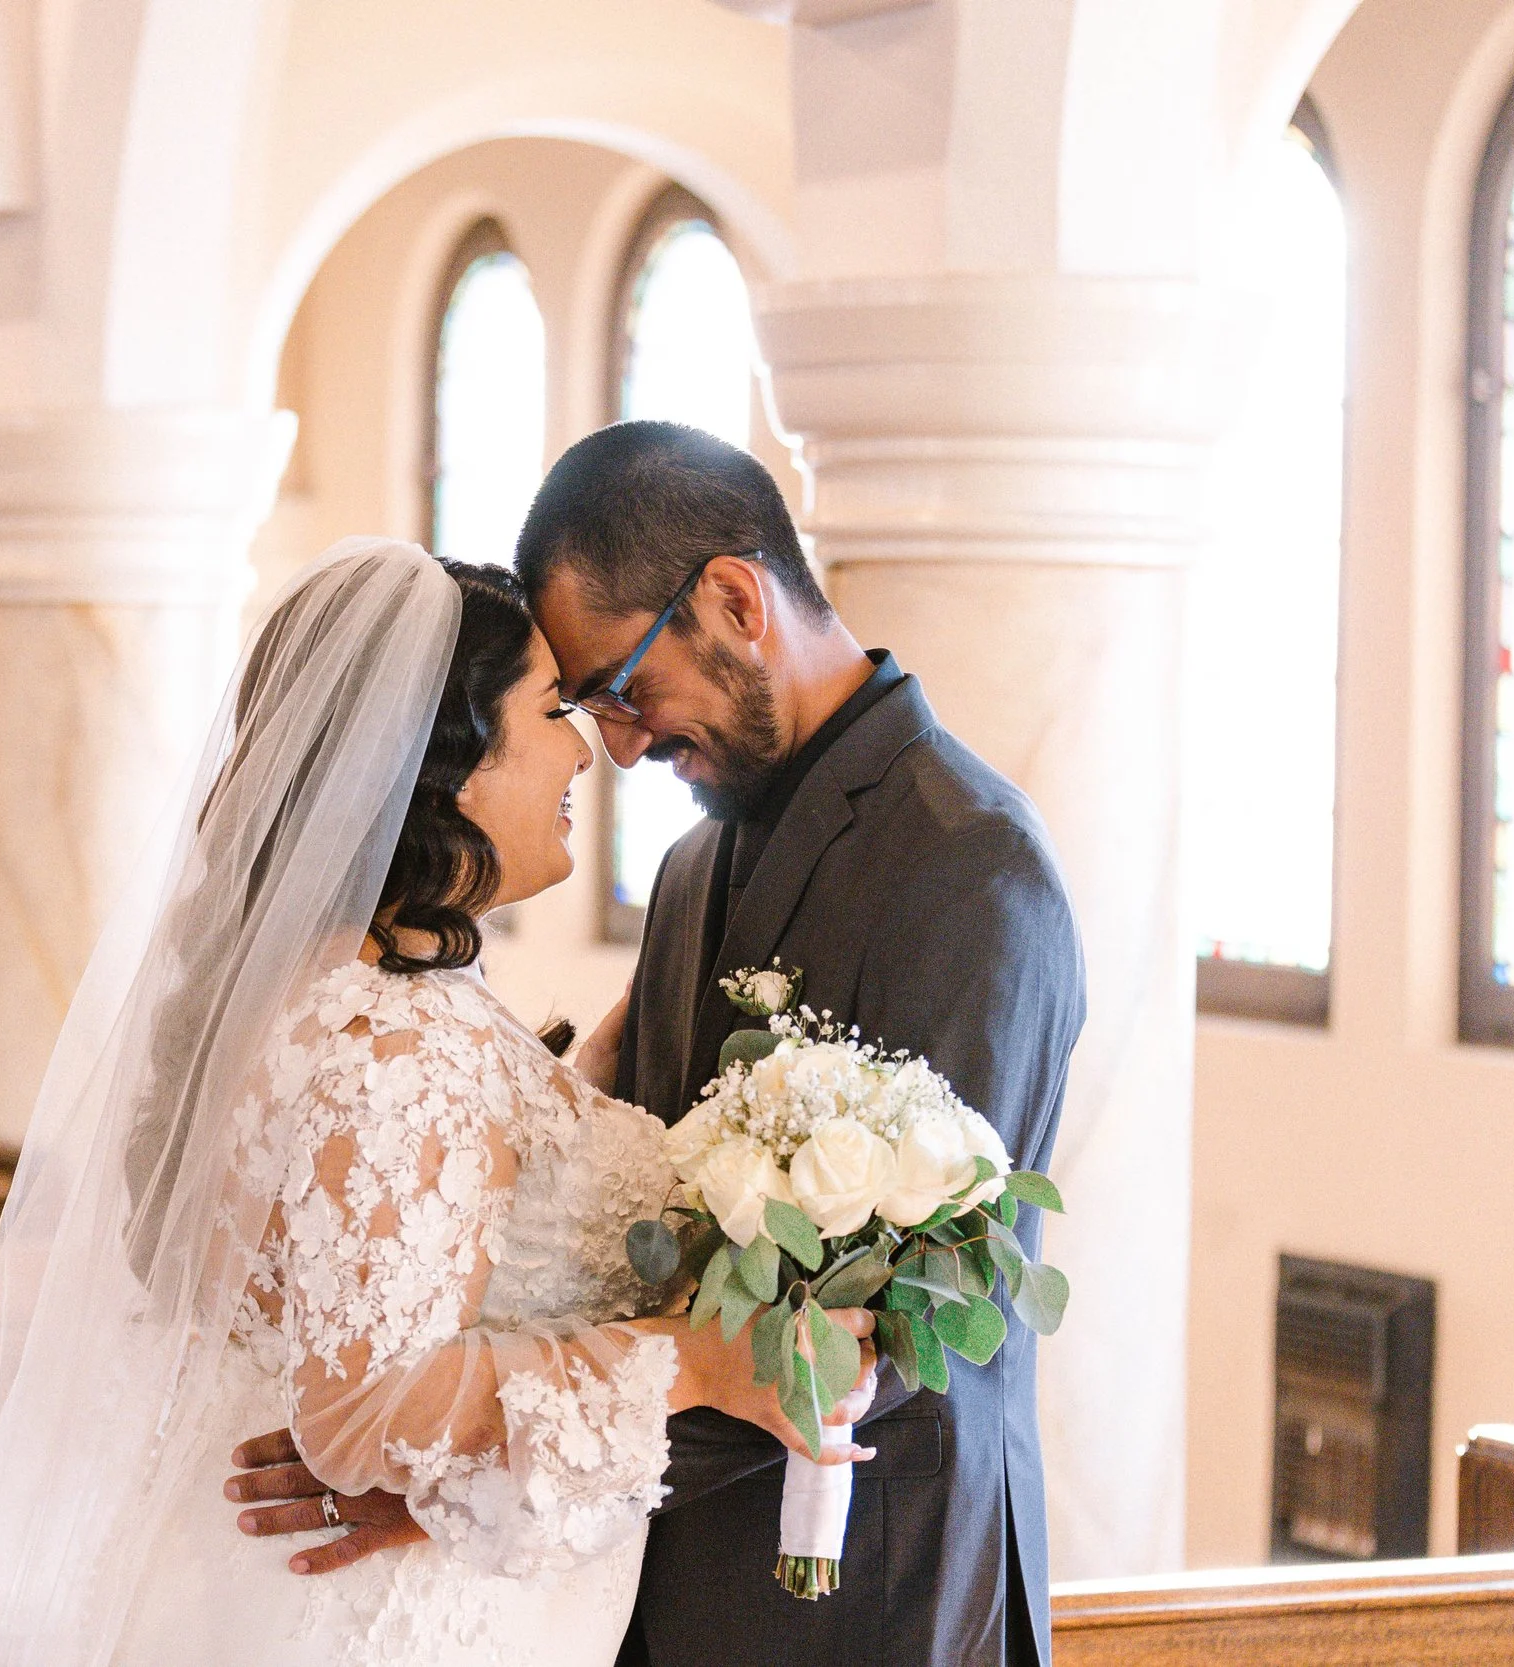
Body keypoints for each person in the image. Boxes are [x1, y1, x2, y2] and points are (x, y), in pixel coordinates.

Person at [0, 537, 875, 1667]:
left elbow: (452, 1203)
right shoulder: (387, 1036)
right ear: (446, 765)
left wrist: (605, 1056)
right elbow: (363, 1411)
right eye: (548, 709)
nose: (584, 749)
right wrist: (694, 1358)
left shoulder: (353, 993)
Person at [228, 426, 1086, 1667]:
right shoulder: (694, 862)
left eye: (623, 687)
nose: (616, 743)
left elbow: (907, 1316)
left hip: (866, 1577)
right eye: (578, 707)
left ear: (735, 600)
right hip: (654, 1580)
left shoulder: (965, 864)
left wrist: (461, 1478)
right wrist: (439, 1441)